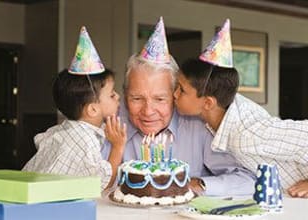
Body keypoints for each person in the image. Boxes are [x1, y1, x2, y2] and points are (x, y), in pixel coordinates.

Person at [102, 17, 255, 196]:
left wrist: (199, 184)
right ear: (124, 94)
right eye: (136, 98)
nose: (148, 111)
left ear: (176, 95)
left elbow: (247, 179)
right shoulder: (110, 124)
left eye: (160, 99)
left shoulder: (199, 126)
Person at [173, 19, 308, 198]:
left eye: (182, 90)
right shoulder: (224, 108)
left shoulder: (246, 135)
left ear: (208, 103)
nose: (174, 94)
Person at [23, 26, 127, 191]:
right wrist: (118, 146)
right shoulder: (86, 140)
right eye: (112, 95)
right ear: (92, 110)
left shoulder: (63, 131)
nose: (118, 96)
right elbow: (101, 183)